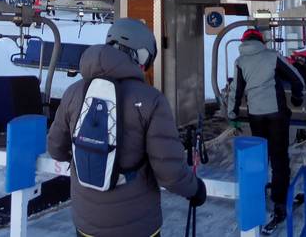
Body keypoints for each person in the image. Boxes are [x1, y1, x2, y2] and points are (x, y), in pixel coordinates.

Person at [47, 18, 206, 237]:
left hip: (86, 223)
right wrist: (195, 189)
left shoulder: (74, 92)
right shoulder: (151, 100)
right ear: (139, 54)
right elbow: (169, 171)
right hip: (136, 226)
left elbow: (56, 148)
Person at [228, 28, 305, 234]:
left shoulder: (240, 61)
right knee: (279, 157)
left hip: (256, 115)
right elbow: (297, 78)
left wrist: (232, 113)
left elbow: (236, 89)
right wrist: (297, 98)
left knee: (260, 157)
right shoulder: (272, 56)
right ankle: (279, 202)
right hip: (276, 113)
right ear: (261, 41)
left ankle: (257, 195)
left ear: (244, 42)